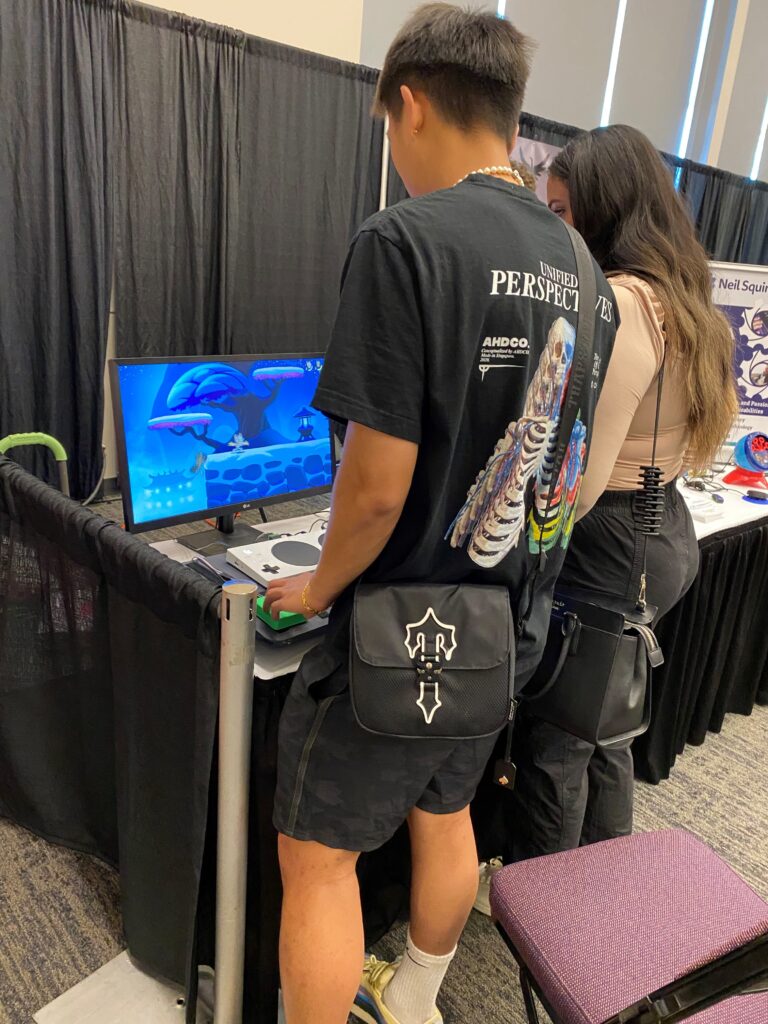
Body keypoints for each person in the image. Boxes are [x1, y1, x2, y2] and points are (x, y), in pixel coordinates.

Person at [263, 7, 617, 1023]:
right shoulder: (584, 273)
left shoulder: (403, 239)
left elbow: (375, 486)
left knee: (317, 860)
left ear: (408, 104)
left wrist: (318, 585)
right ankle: (416, 996)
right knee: (447, 808)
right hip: (509, 628)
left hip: (398, 632)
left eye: (385, 126)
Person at [509, 124, 738, 861]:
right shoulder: (682, 297)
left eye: (564, 211)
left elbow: (575, 478)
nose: (554, 226)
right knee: (606, 726)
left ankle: (548, 913)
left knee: (561, 740)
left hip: (610, 542)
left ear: (607, 210)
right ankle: (605, 888)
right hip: (655, 524)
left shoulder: (621, 303)